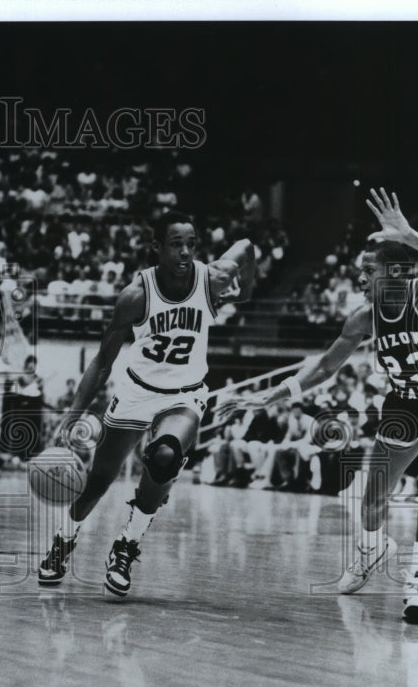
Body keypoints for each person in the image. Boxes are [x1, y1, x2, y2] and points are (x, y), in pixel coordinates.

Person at [217, 188, 418, 623]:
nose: (358, 277)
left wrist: (411, 235)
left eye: (366, 270)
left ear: (392, 271)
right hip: (406, 403)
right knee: (371, 500)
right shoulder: (364, 317)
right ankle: (372, 551)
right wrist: (271, 394)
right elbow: (323, 368)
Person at [38, 209, 255, 597]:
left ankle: (126, 545)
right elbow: (103, 362)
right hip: (137, 391)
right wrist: (72, 415)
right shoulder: (136, 296)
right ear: (157, 248)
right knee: (98, 482)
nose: (186, 252)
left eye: (192, 244)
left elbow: (247, 247)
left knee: (166, 456)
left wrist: (246, 286)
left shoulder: (212, 279)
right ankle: (64, 539)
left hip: (186, 395)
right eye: (176, 244)